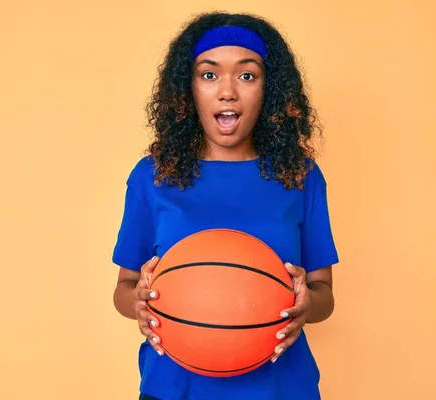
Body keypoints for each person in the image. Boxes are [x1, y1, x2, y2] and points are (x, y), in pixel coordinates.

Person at [112, 11, 339, 400]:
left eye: (247, 75)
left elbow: (323, 294)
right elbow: (123, 289)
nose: (227, 91)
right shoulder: (153, 175)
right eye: (209, 74)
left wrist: (307, 304)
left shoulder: (299, 175)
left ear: (269, 89)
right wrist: (137, 303)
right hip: (173, 388)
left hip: (282, 388)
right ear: (189, 87)